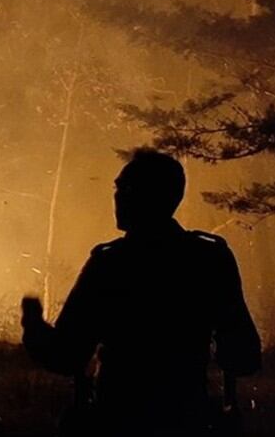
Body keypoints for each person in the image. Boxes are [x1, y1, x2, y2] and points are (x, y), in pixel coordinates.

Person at [21, 148, 261, 436]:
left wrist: (33, 326)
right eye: (118, 188)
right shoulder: (209, 258)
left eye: (128, 188)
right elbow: (243, 354)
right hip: (186, 418)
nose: (118, 196)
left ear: (155, 195)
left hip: (119, 418)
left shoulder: (111, 263)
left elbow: (67, 355)